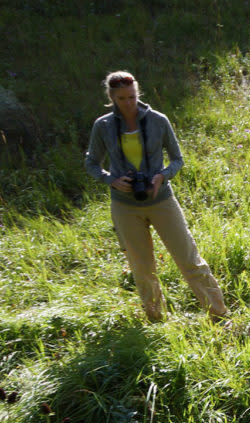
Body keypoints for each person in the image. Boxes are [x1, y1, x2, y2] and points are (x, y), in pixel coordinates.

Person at [85, 71, 229, 323]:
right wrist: (111, 179)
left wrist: (162, 176)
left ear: (137, 93)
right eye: (121, 98)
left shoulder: (158, 120)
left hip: (162, 200)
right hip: (125, 206)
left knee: (189, 260)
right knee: (142, 269)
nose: (128, 102)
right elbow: (91, 163)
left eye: (131, 96)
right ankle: (156, 320)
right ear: (111, 98)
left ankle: (219, 314)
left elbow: (177, 159)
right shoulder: (103, 125)